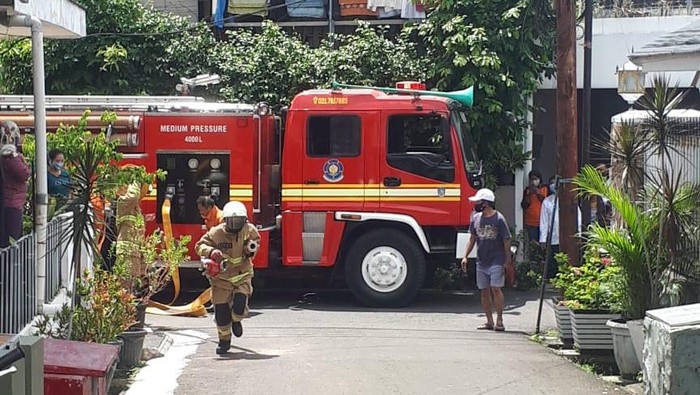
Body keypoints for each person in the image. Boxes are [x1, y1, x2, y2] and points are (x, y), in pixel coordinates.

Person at [195, 201, 260, 355]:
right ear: (225, 220)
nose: (236, 224)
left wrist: (251, 250)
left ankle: (237, 320)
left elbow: (256, 242)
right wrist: (211, 252)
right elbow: (199, 246)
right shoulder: (216, 233)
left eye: (239, 221)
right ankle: (224, 341)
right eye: (232, 221)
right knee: (221, 314)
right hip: (221, 279)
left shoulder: (249, 230)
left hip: (242, 275)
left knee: (239, 305)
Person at [461, 188, 513, 332]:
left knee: (496, 288)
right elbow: (472, 239)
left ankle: (500, 320)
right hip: (481, 260)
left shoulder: (499, 219)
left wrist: (507, 262)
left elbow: (506, 241)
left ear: (486, 203)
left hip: (496, 260)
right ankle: (489, 321)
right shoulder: (476, 218)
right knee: (484, 291)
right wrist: (465, 256)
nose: (476, 204)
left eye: (479, 202)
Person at [539, 177, 582, 279]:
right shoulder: (547, 202)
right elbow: (544, 222)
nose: (554, 185)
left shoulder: (570, 200)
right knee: (554, 262)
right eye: (552, 183)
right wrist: (543, 239)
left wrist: (579, 234)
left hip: (569, 238)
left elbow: (578, 218)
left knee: (568, 260)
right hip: (554, 238)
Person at [0, 121, 30, 248]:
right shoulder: (9, 156)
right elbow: (24, 173)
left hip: (11, 201)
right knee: (12, 240)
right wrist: (18, 157)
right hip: (11, 203)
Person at [520, 170, 548, 244]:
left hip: (543, 222)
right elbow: (524, 205)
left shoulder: (545, 189)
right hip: (530, 222)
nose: (533, 181)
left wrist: (538, 193)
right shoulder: (527, 190)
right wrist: (529, 195)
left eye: (535, 179)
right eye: (531, 179)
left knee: (543, 243)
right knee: (533, 244)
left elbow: (546, 202)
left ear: (539, 179)